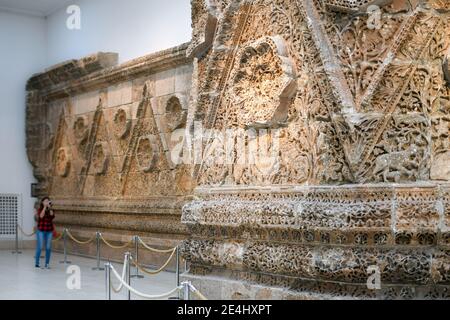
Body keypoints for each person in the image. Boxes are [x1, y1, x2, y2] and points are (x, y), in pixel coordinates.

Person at [34, 197, 55, 269]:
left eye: (48, 201)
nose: (47, 202)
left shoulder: (50, 209)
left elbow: (52, 216)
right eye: (45, 201)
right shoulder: (39, 209)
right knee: (40, 247)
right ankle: (37, 263)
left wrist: (50, 207)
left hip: (49, 230)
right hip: (41, 230)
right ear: (42, 202)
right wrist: (45, 207)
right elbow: (41, 216)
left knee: (48, 247)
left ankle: (47, 263)